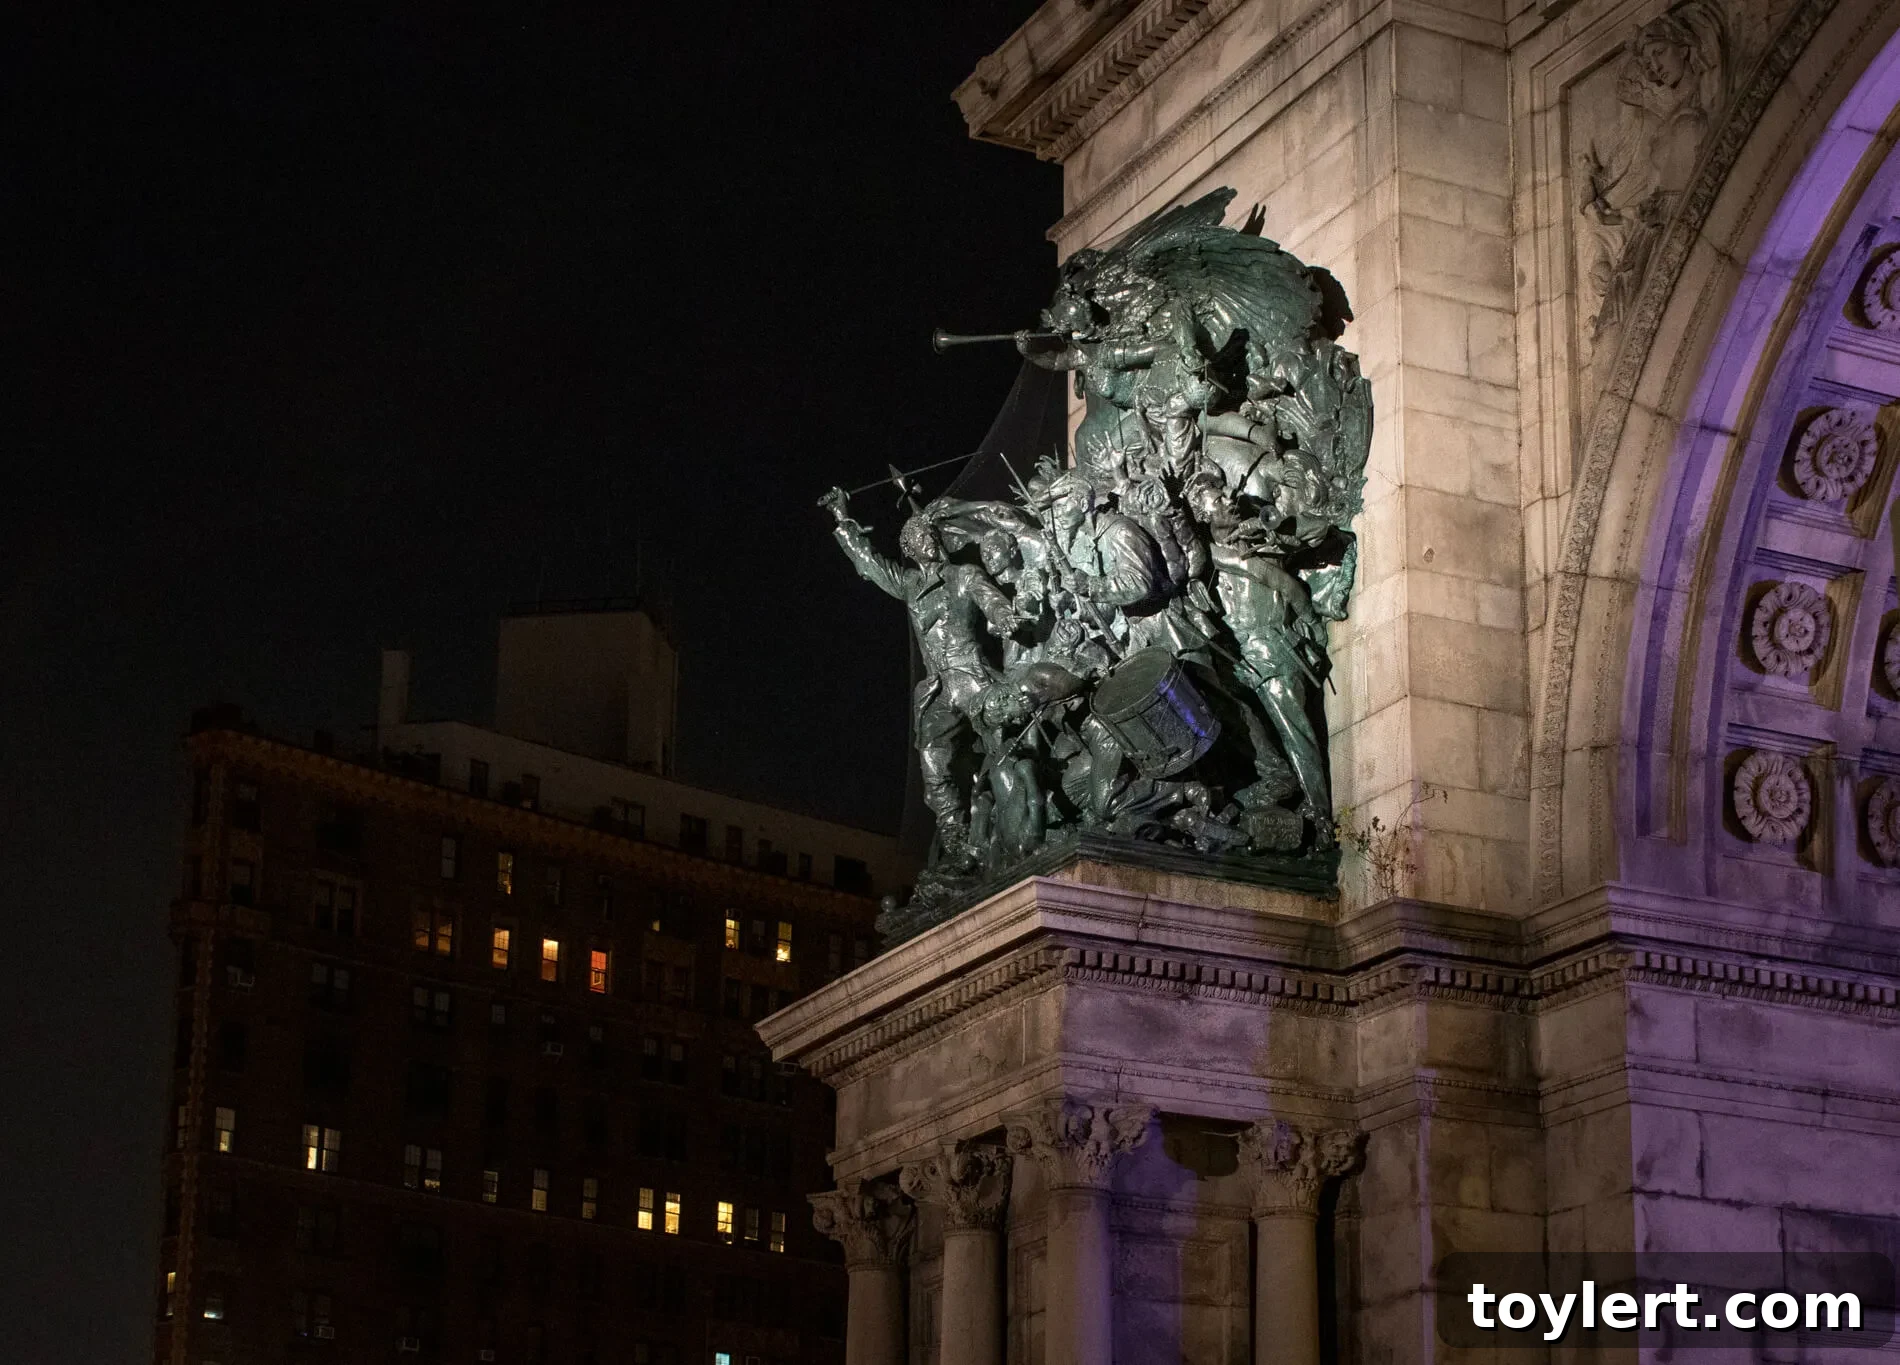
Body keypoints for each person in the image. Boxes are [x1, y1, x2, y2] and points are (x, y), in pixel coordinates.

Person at [820, 487, 1019, 864]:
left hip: (971, 674)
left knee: (1003, 743)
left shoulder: (964, 574)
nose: (929, 543)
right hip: (938, 690)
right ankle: (958, 842)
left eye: (931, 536)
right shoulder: (910, 585)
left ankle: (1016, 821)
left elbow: (990, 599)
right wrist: (842, 519)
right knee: (932, 761)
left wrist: (1004, 616)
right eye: (920, 540)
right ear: (910, 550)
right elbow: (870, 563)